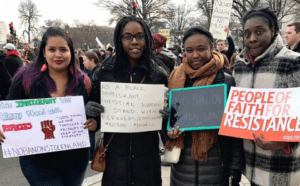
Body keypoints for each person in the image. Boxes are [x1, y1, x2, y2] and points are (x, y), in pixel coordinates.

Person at [0, 27, 98, 186]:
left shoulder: (83, 81)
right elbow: (8, 110)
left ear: (71, 52)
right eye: (52, 49)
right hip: (38, 163)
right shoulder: (26, 79)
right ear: (43, 52)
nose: (58, 55)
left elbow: (93, 113)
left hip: (76, 161)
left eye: (63, 49)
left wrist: (95, 121)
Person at [85, 16, 168, 186]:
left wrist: (167, 116)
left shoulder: (158, 74)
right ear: (119, 39)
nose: (134, 41)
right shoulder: (104, 73)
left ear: (147, 38)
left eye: (140, 36)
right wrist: (91, 112)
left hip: (147, 163)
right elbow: (97, 115)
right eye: (127, 36)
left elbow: (166, 124)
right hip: (115, 159)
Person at [166, 26, 244, 186]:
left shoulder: (227, 81)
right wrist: (168, 132)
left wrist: (235, 168)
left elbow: (236, 131)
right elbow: (167, 123)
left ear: (211, 48)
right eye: (189, 50)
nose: (195, 55)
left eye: (201, 49)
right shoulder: (175, 79)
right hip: (182, 170)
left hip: (217, 169)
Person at [233, 8, 300, 186]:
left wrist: (285, 142)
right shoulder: (240, 66)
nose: (252, 38)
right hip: (250, 169)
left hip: (281, 170)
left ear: (273, 31)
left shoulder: (293, 62)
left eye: (259, 31)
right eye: (247, 34)